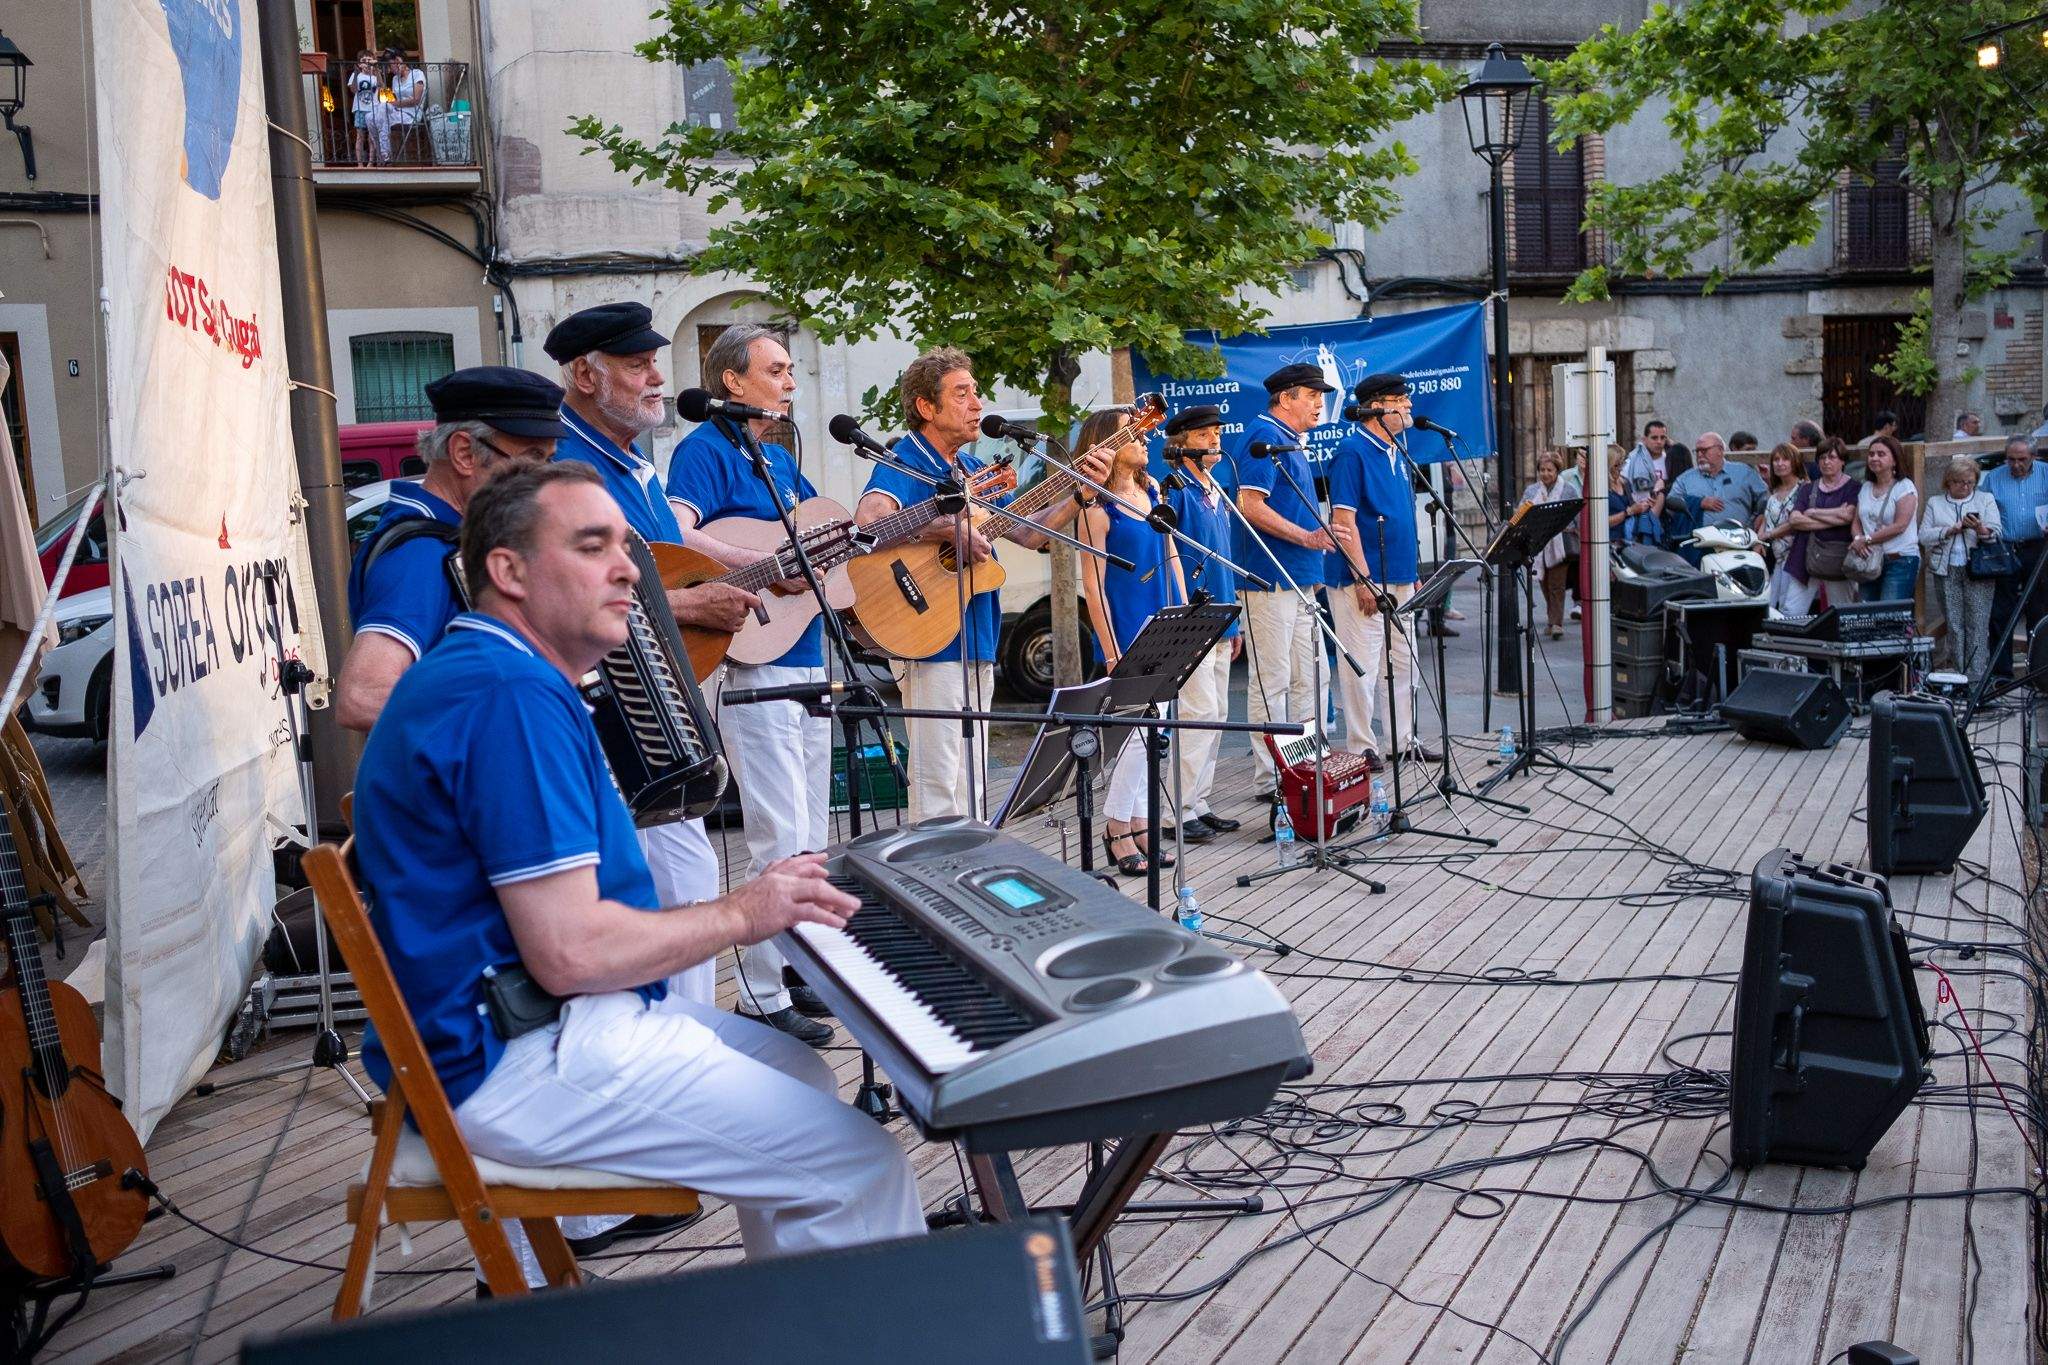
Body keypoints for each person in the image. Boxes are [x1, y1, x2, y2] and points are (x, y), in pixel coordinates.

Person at [351, 461, 925, 1288]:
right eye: (594, 546)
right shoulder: (506, 696)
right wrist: (744, 912)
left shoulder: (498, 673)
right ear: (507, 572)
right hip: (517, 1054)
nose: (631, 568)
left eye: (627, 545)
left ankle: (801, 1325)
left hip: (528, 1024)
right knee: (858, 1166)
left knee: (797, 1068)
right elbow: (572, 953)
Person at [545, 300, 760, 1036]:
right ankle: (676, 1044)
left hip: (664, 702)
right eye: (636, 365)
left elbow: (669, 564)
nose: (656, 379)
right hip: (616, 709)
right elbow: (587, 584)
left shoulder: (632, 464)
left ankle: (686, 1037)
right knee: (659, 885)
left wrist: (750, 571)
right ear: (583, 374)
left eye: (653, 363)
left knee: (685, 873)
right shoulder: (568, 467)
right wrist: (692, 605)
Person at [664, 324, 833, 1045]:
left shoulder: (778, 459)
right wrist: (755, 559)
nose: (790, 382)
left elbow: (816, 534)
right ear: (733, 382)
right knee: (777, 829)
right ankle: (760, 993)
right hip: (753, 660)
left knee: (812, 833)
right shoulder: (703, 450)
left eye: (791, 369)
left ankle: (801, 966)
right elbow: (669, 532)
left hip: (808, 651)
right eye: (777, 369)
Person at [853, 349, 1109, 823]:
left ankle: (966, 874)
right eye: (962, 393)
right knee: (938, 778)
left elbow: (1031, 532)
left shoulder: (973, 471)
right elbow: (870, 523)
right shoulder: (904, 459)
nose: (978, 403)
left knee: (972, 777)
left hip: (977, 635)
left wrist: (1080, 493)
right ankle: (930, 883)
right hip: (927, 633)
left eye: (977, 391)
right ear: (927, 407)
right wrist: (945, 530)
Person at [337, 367, 563, 732]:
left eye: (549, 459)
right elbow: (363, 695)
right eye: (533, 458)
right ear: (464, 453)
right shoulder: (421, 555)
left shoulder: (464, 537)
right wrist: (511, 725)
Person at [1075, 409, 1186, 875]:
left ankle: (1142, 820)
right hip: (1128, 629)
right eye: (1132, 432)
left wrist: (1186, 611)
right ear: (1106, 443)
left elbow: (1172, 551)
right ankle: (1116, 826)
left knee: (1160, 732)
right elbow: (1094, 587)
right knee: (1138, 736)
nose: (1145, 438)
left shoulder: (1153, 491)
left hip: (1167, 622)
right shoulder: (1097, 510)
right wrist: (1111, 649)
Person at [1231, 362, 1337, 802]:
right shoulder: (1264, 437)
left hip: (1301, 578)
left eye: (1321, 395)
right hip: (1270, 578)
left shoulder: (1291, 441)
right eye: (1312, 395)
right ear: (1286, 397)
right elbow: (1249, 505)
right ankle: (1272, 778)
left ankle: (1307, 766)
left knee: (1312, 677)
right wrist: (1309, 536)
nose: (1320, 403)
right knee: (1271, 680)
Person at [1325, 373, 1436, 766]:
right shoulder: (1352, 453)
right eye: (1399, 399)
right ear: (1376, 407)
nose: (1408, 405)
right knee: (1363, 664)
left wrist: (1413, 570)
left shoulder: (1398, 449)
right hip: (1364, 577)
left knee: (1405, 661)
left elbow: (1402, 516)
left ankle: (1402, 739)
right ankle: (1362, 744)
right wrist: (1363, 579)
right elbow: (1344, 520)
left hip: (1401, 574)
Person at [1161, 406, 1242, 841]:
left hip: (1222, 613)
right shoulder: (1177, 490)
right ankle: (1177, 808)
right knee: (1197, 711)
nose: (1215, 440)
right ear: (1182, 442)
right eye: (1205, 434)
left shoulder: (1215, 488)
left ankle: (1199, 798)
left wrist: (1235, 625)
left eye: (1217, 432)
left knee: (1219, 712)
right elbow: (1173, 557)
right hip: (1196, 615)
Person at [1919, 457, 2002, 683]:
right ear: (1948, 482)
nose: (1965, 487)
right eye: (1959, 482)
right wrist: (1951, 529)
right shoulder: (1936, 503)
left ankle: (1976, 677)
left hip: (1978, 569)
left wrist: (1980, 528)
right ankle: (1959, 675)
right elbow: (1923, 535)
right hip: (1946, 569)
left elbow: (1996, 532)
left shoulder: (1985, 499)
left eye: (1969, 482)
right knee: (1954, 623)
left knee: (1978, 622)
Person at [1980, 436, 2048, 678]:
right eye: (2011, 459)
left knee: (2038, 610)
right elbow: (1981, 508)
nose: (2016, 464)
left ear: (2033, 456)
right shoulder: (1994, 478)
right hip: (2005, 548)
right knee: (2001, 612)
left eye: (2022, 459)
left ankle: (2038, 673)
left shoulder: (2045, 474)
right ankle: (2001, 674)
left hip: (2038, 546)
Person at [1779, 437, 1860, 614]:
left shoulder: (1853, 487)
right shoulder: (1808, 489)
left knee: (1840, 614)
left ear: (1842, 461)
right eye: (1822, 458)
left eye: (1832, 457)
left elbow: (1848, 516)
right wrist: (1835, 515)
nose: (1826, 462)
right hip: (1804, 555)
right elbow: (1795, 520)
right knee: (1791, 612)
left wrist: (1814, 512)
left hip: (1837, 559)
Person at [1853, 433, 1920, 603]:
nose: (1874, 458)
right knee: (1867, 615)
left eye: (1881, 454)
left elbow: (1900, 526)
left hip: (1900, 560)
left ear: (1895, 460)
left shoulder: (1904, 487)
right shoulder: (1866, 487)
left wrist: (1866, 539)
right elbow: (1856, 521)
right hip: (1869, 560)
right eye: (1871, 454)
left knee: (1890, 617)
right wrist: (1858, 539)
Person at [1667, 430, 1768, 533]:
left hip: (1740, 540)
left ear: (1720, 450)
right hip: (1700, 543)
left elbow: (1765, 497)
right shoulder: (1686, 479)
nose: (1700, 455)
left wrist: (1761, 515)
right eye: (1697, 451)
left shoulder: (1744, 472)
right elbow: (1672, 501)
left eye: (1704, 450)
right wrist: (1698, 503)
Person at [1520, 450, 1574, 640]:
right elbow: (1521, 512)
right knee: (1544, 583)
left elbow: (1574, 515)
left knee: (1557, 585)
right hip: (1539, 545)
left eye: (1549, 470)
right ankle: (1551, 620)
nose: (1545, 474)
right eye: (1542, 470)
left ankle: (1557, 623)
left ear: (1557, 471)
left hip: (1560, 544)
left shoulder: (1568, 490)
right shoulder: (1531, 491)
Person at [1754, 443, 1808, 615]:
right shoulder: (1775, 490)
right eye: (1776, 460)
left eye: (1785, 459)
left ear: (1795, 462)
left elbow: (1796, 522)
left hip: (1796, 557)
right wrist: (1758, 539)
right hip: (1777, 557)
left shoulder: (1804, 489)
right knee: (1770, 605)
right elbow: (1768, 515)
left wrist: (1767, 534)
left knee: (1788, 609)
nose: (1780, 463)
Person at [1620, 420, 1684, 540]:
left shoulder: (1671, 460)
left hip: (1668, 516)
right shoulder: (1633, 462)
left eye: (1662, 437)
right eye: (1654, 438)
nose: (1659, 442)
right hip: (1640, 515)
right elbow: (1623, 488)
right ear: (1644, 439)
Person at [346, 51, 379, 166]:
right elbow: (353, 89)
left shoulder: (375, 76)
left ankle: (370, 162)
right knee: (360, 136)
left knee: (371, 137)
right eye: (364, 61)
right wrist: (355, 72)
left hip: (373, 109)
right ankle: (360, 163)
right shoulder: (357, 76)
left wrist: (376, 69)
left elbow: (382, 86)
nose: (367, 63)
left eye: (369, 60)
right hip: (360, 109)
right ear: (359, 64)